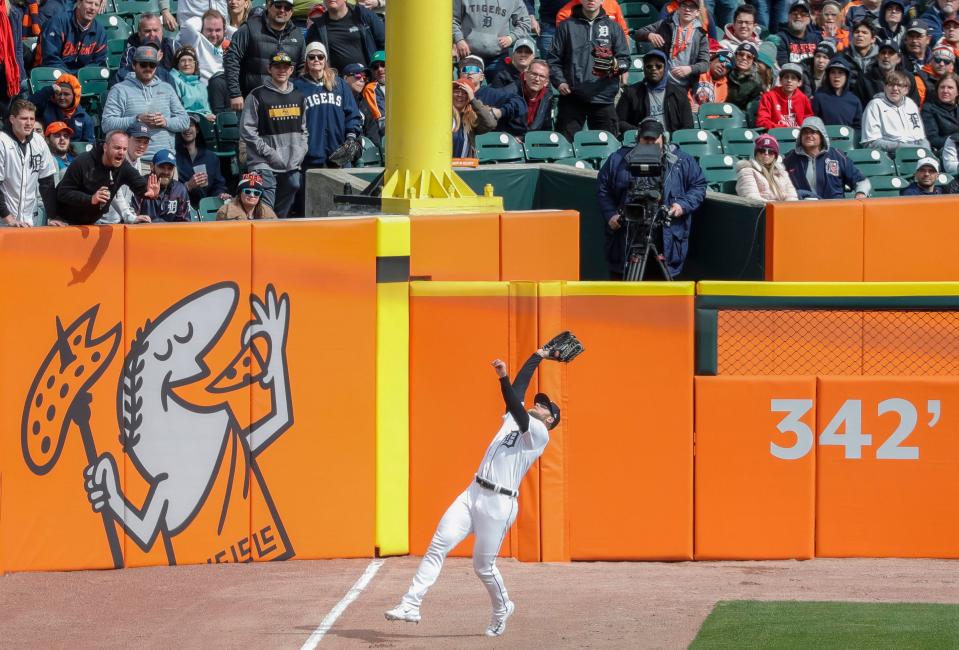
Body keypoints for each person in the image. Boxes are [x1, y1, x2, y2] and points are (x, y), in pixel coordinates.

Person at [384, 345, 561, 637]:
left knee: (483, 567)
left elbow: (515, 402)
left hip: (499, 505)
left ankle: (503, 607)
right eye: (539, 402)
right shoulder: (512, 421)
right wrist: (538, 356)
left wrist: (502, 379)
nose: (538, 404)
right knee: (438, 545)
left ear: (550, 419)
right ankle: (411, 604)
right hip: (473, 493)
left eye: (544, 406)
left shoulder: (539, 434)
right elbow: (518, 392)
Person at [597, 118, 706, 279]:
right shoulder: (618, 159)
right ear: (637, 139)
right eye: (645, 139)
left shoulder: (681, 161)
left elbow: (699, 185)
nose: (649, 143)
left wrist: (682, 205)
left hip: (665, 236)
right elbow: (603, 188)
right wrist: (611, 214)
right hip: (628, 234)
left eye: (654, 139)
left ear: (663, 139)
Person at [293, 41, 361, 213]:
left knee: (341, 207)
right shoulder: (297, 86)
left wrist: (351, 136)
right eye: (312, 57)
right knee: (309, 207)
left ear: (326, 59)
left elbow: (352, 114)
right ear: (306, 60)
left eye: (320, 56)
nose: (316, 60)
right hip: (309, 157)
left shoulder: (339, 85)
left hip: (337, 155)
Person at [548, 0, 629, 140]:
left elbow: (625, 61)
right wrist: (560, 82)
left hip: (603, 98)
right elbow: (553, 60)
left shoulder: (613, 27)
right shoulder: (566, 26)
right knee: (566, 147)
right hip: (572, 97)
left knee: (607, 147)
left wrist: (615, 66)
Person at [241, 50, 307, 217]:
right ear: (269, 69)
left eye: (286, 67)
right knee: (266, 205)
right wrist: (269, 153)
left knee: (294, 185)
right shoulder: (257, 95)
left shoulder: (299, 96)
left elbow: (304, 130)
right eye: (277, 66)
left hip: (291, 162)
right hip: (263, 162)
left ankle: (275, 224)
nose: (281, 70)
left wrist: (301, 150)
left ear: (291, 70)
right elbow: (247, 130)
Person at [55, 130, 160, 225]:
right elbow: (63, 193)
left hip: (90, 223)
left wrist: (148, 192)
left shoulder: (123, 166)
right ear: (105, 147)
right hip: (64, 221)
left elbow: (139, 184)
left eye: (124, 149)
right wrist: (90, 199)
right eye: (117, 148)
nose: (121, 152)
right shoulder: (82, 162)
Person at [102, 46, 190, 158]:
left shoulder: (166, 88)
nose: (148, 68)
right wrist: (136, 119)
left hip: (166, 161)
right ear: (134, 65)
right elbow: (107, 124)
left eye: (152, 65)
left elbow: (185, 121)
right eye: (143, 64)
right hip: (134, 161)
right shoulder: (119, 89)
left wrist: (165, 122)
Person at [224, 0, 305, 113]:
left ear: (292, 11)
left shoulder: (297, 35)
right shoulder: (249, 29)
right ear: (269, 6)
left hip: (285, 105)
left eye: (287, 7)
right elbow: (231, 60)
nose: (282, 10)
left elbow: (302, 68)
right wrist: (235, 93)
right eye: (278, 5)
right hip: (254, 103)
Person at [0, 99, 57, 227]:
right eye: (24, 118)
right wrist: (8, 218)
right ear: (12, 119)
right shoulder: (2, 142)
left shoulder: (39, 142)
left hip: (29, 221)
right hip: (3, 221)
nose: (29, 123)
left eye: (32, 119)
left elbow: (47, 183)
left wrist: (53, 216)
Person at [783, 116, 871, 199]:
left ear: (822, 135)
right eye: (805, 132)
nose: (809, 135)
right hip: (801, 209)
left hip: (834, 209)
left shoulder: (837, 156)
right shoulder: (790, 158)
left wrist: (861, 193)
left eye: (813, 132)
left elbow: (861, 181)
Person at [634, 0, 709, 90]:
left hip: (686, 88)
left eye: (692, 7)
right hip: (661, 82)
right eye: (684, 6)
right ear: (679, 8)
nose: (687, 10)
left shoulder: (701, 34)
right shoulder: (665, 24)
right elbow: (638, 34)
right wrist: (649, 35)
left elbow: (705, 64)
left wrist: (690, 69)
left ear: (697, 12)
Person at [616, 49, 694, 132]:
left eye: (658, 66)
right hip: (641, 142)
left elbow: (688, 125)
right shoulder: (631, 92)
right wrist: (640, 132)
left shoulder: (679, 93)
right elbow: (619, 121)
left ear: (665, 68)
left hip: (672, 142)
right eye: (649, 66)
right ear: (644, 69)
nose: (653, 69)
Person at [453, 0, 531, 75]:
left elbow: (525, 23)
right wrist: (459, 40)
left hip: (498, 58)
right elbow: (452, 19)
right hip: (469, 54)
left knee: (499, 87)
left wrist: (511, 38)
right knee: (468, 87)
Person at [458, 56, 528, 137]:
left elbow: (520, 103)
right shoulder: (453, 94)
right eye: (465, 70)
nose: (469, 73)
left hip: (485, 141)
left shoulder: (491, 94)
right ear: (460, 75)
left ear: (482, 77)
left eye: (474, 70)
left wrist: (501, 111)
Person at [306, 0, 385, 73]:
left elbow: (385, 44)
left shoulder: (364, 15)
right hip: (337, 84)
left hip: (367, 79)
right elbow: (310, 59)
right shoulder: (317, 28)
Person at [861, 69, 929, 151]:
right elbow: (871, 143)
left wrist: (927, 151)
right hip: (889, 155)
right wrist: (905, 147)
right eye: (891, 85)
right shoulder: (875, 105)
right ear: (885, 87)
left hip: (915, 152)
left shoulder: (911, 104)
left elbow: (921, 138)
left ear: (906, 90)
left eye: (899, 85)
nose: (895, 88)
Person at [179, 10, 233, 112]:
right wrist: (203, 20)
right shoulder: (196, 41)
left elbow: (237, 33)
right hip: (205, 95)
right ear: (201, 29)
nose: (213, 34)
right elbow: (188, 25)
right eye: (209, 30)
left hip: (226, 95)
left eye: (218, 30)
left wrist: (226, 27)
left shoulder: (230, 45)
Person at [176, 113, 229, 209]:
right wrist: (188, 186)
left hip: (208, 208)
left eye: (191, 125)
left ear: (197, 129)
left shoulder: (211, 157)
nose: (187, 129)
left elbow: (218, 184)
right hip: (182, 208)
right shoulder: (174, 158)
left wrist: (220, 194)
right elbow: (169, 190)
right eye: (184, 125)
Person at [38, 0, 106, 71]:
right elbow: (50, 59)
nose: (93, 8)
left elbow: (98, 62)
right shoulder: (57, 24)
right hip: (52, 75)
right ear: (79, 3)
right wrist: (71, 77)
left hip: (82, 78)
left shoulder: (100, 32)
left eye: (96, 5)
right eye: (89, 3)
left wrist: (81, 75)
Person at [29, 73, 94, 143]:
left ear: (75, 96)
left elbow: (89, 145)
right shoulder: (46, 107)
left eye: (66, 94)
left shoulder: (84, 118)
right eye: (59, 94)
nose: (62, 97)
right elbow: (28, 105)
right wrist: (49, 90)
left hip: (74, 153)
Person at [131, 149, 191, 222]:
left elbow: (184, 223)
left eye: (170, 168)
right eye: (162, 167)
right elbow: (131, 219)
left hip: (171, 232)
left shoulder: (180, 190)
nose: (166, 172)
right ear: (152, 166)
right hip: (144, 231)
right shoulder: (140, 186)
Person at [735, 133, 799, 202]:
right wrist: (775, 207)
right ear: (756, 153)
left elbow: (792, 197)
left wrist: (787, 208)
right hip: (760, 211)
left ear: (775, 155)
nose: (766, 153)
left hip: (782, 210)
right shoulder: (746, 171)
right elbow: (751, 198)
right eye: (762, 150)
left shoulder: (783, 173)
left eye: (770, 151)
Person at [116, 13, 176, 86]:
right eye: (147, 31)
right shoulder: (132, 52)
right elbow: (124, 77)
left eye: (155, 30)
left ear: (162, 31)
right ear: (139, 33)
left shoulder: (172, 46)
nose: (152, 34)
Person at [504, 58, 555, 135]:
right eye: (534, 74)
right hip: (511, 140)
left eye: (541, 76)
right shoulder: (509, 93)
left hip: (535, 142)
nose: (537, 79)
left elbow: (546, 127)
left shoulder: (547, 98)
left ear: (546, 82)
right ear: (525, 76)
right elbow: (499, 124)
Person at [756, 62, 814, 128]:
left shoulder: (803, 99)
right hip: (775, 136)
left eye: (793, 78)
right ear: (780, 81)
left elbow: (809, 121)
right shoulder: (768, 97)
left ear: (799, 83)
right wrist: (783, 128)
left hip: (798, 136)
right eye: (786, 77)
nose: (789, 80)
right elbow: (762, 121)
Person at [812, 58, 863, 129]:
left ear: (847, 76)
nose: (836, 76)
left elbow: (858, 127)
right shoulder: (819, 97)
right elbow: (814, 125)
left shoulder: (854, 101)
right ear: (828, 75)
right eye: (833, 72)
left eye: (840, 72)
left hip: (848, 139)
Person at [452, 78, 497, 157]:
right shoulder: (442, 114)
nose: (460, 95)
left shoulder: (472, 117)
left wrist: (473, 100)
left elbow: (490, 124)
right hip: (443, 167)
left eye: (465, 93)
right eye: (456, 91)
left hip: (466, 167)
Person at [170, 46, 215, 120]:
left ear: (195, 64)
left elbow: (206, 109)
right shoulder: (173, 80)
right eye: (183, 60)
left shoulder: (201, 84)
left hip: (201, 121)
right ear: (177, 64)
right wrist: (203, 117)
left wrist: (209, 115)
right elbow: (176, 109)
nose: (187, 64)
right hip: (182, 121)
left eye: (190, 60)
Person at [839, 17, 881, 91]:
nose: (859, 35)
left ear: (873, 39)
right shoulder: (843, 56)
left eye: (864, 33)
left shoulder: (880, 58)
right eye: (857, 32)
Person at [777, 1, 821, 66]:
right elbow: (783, 65)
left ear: (809, 20)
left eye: (803, 14)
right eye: (795, 14)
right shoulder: (780, 38)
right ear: (788, 17)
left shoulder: (815, 39)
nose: (798, 16)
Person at [690, 43, 731, 112]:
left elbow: (717, 111)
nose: (723, 65)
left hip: (707, 119)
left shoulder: (724, 87)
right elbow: (685, 92)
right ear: (712, 60)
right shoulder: (699, 72)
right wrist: (691, 105)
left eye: (728, 66)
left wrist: (702, 110)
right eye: (722, 59)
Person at [922, 73, 959, 147]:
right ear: (937, 90)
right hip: (943, 152)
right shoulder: (928, 109)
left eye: (950, 87)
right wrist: (955, 141)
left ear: (957, 92)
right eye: (942, 87)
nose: (945, 91)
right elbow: (932, 139)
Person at [726, 41, 765, 109]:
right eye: (741, 54)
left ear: (753, 61)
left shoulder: (756, 82)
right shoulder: (726, 72)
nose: (744, 58)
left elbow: (752, 108)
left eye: (749, 57)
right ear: (735, 56)